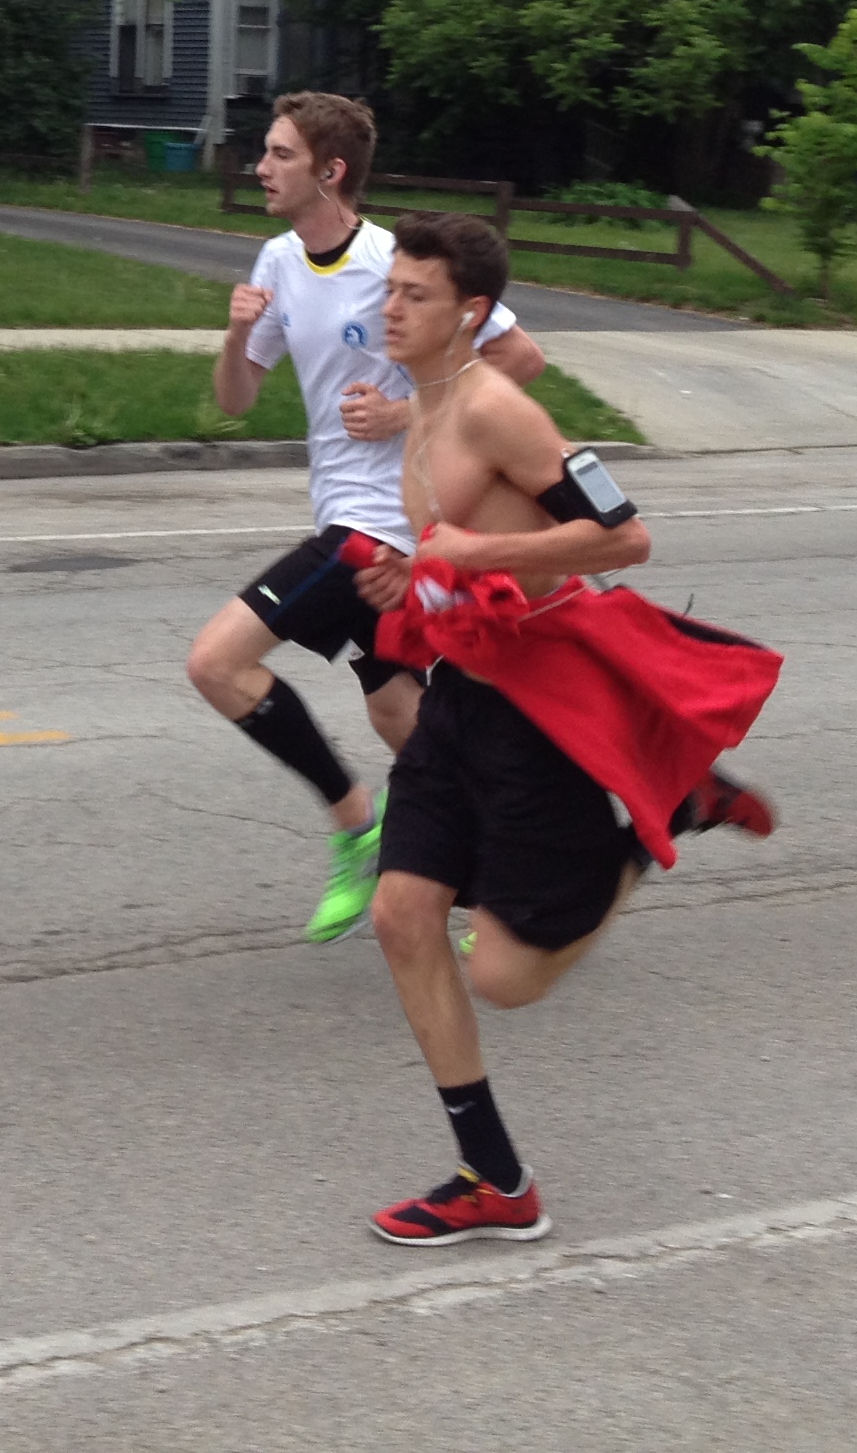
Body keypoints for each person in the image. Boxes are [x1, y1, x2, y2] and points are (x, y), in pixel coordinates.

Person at [359, 210, 774, 1248]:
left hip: (534, 715)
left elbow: (625, 537)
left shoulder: (500, 411)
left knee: (505, 978)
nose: (390, 308)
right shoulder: (421, 405)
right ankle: (494, 1181)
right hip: (458, 695)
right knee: (403, 917)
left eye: (414, 294)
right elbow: (466, 543)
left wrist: (469, 554)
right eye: (389, 289)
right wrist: (419, 575)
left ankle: (667, 819)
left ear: (472, 312)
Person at [191, 92, 551, 945]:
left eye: (279, 154)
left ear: (331, 171)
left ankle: (358, 827)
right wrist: (236, 336)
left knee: (216, 663)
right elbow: (235, 401)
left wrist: (405, 414)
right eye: (265, 152)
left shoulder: (398, 262)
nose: (260, 168)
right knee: (403, 716)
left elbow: (520, 355)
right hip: (347, 512)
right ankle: (510, 883)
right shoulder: (278, 260)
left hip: (383, 526)